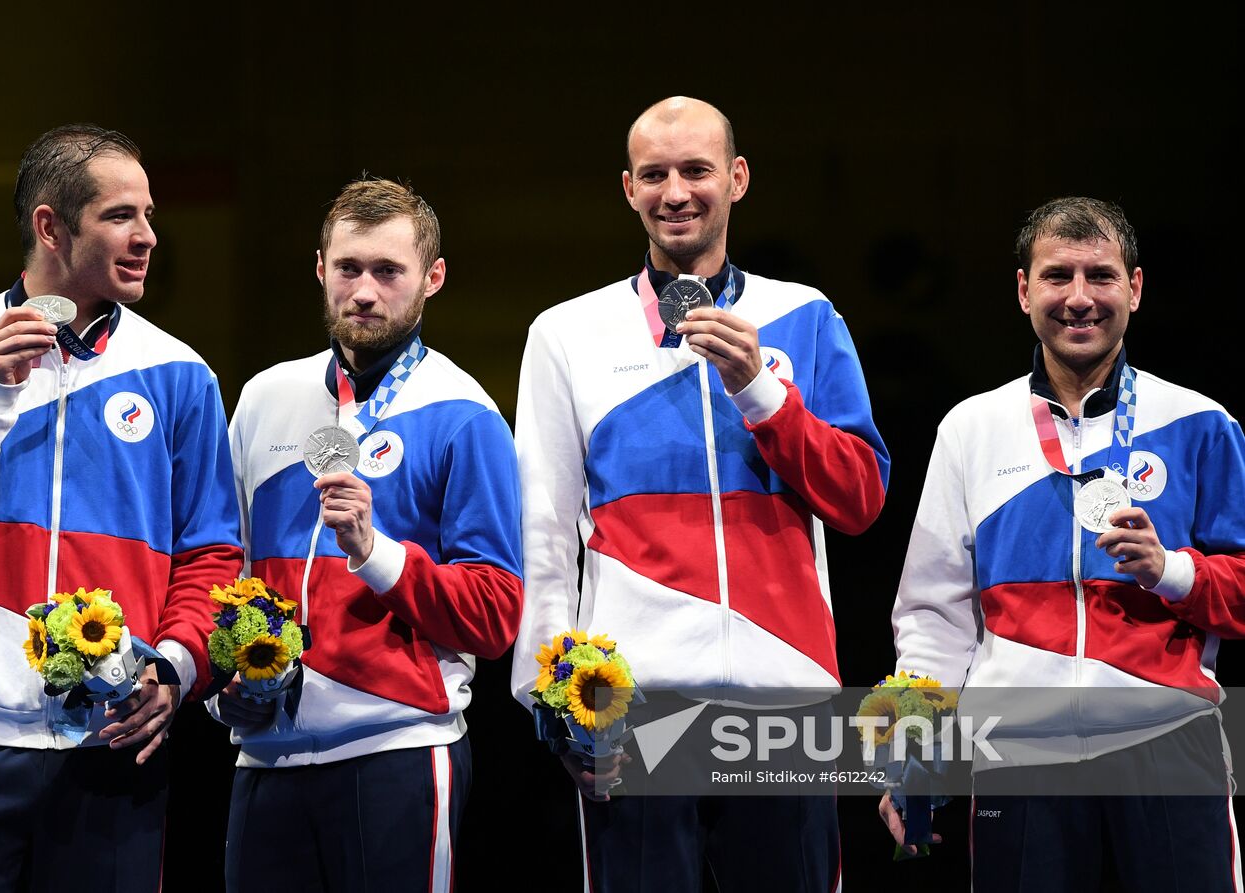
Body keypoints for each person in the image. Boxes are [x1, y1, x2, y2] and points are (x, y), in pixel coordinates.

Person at [510, 96, 889, 891]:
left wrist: (763, 393)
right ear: (627, 188)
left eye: (696, 170)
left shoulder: (806, 316)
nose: (675, 191)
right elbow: (543, 529)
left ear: (738, 179)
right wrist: (550, 698)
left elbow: (860, 499)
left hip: (788, 699)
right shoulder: (566, 332)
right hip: (636, 706)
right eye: (654, 174)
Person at [0, 124, 244, 891]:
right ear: (50, 226)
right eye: (120, 216)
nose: (148, 237)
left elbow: (212, 554)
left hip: (110, 746)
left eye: (149, 214)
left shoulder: (180, 373)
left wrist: (174, 668)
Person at [882, 197, 1244, 890]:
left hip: (1166, 746)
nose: (1079, 298)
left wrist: (1171, 572)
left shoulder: (1201, 423)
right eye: (1057, 276)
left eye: (1100, 276)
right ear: (1024, 291)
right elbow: (933, 613)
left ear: (1135, 288)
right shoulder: (971, 428)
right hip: (1019, 755)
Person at [213, 177, 523, 892]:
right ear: (320, 267)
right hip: (266, 757)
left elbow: (496, 613)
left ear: (432, 278)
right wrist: (220, 686)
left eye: (389, 271)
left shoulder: (464, 413)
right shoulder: (266, 398)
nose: (364, 291)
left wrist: (373, 553)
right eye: (349, 267)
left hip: (398, 751)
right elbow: (226, 568)